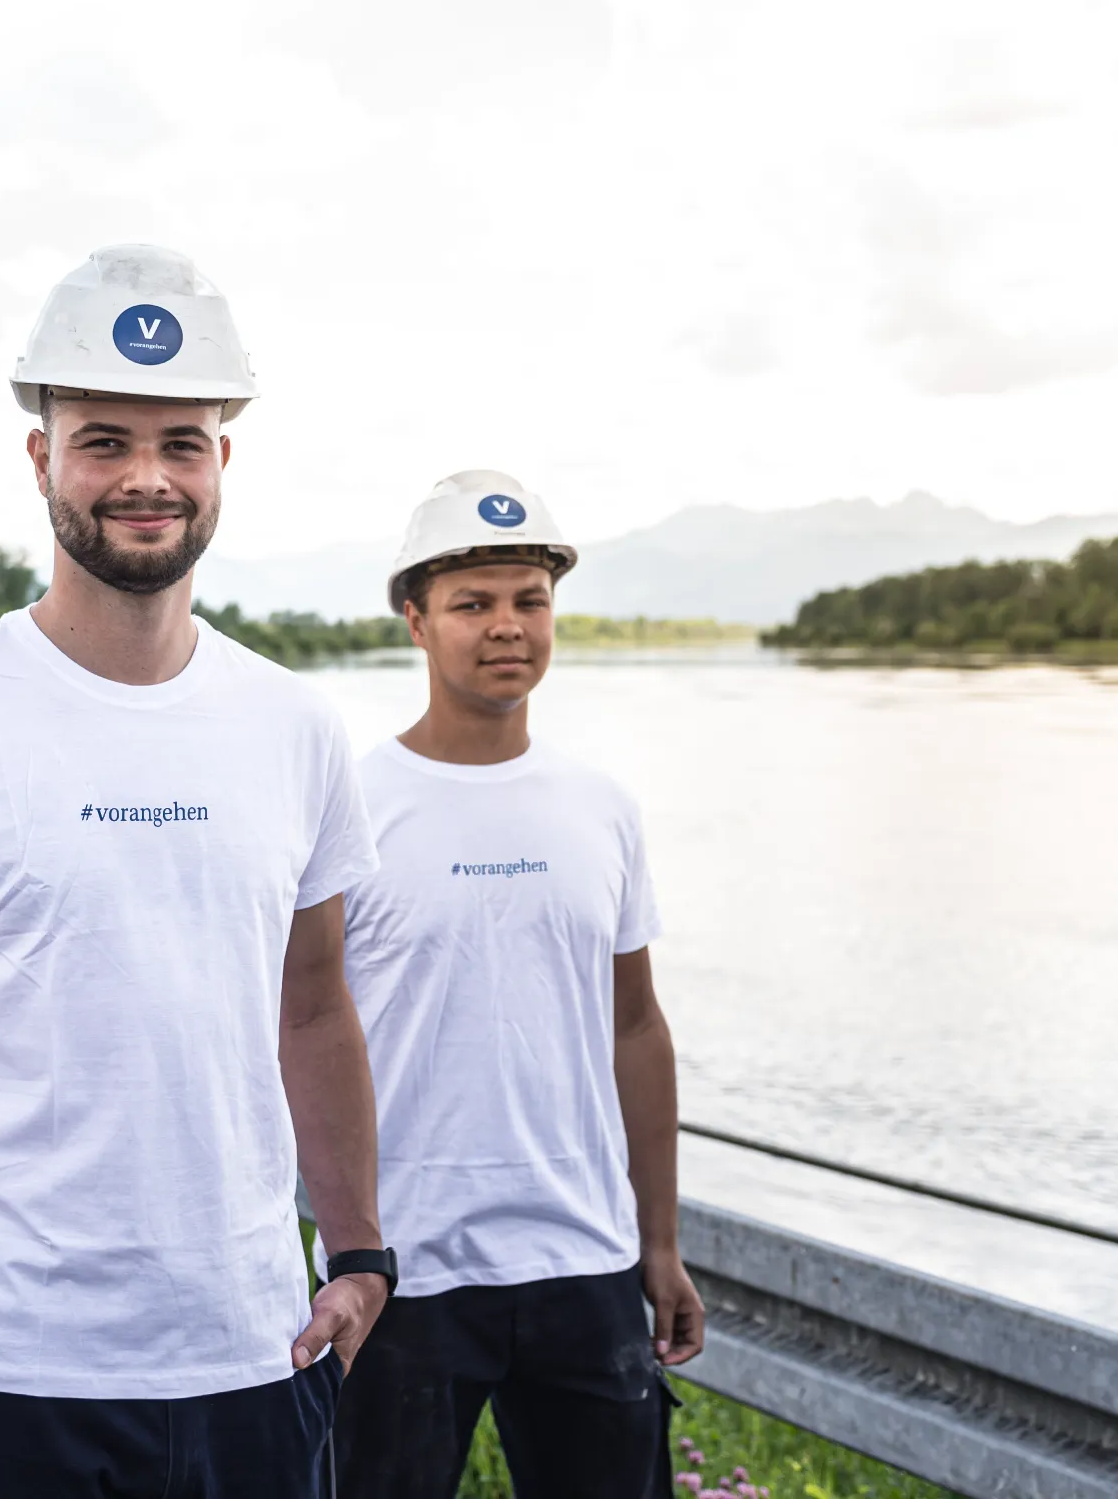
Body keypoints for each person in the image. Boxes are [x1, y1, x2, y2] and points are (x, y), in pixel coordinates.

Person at [0, 244, 393, 1499]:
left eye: (182, 441)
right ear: (40, 458)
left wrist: (363, 1250)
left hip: (256, 1361)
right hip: (2, 1381)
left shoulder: (294, 727)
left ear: (226, 459)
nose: (145, 477)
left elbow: (315, 1009)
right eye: (103, 440)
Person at [327, 470, 704, 1499]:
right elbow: (298, 1034)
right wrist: (326, 1244)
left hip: (583, 1258)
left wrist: (657, 1242)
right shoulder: (351, 805)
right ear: (416, 621)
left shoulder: (602, 807)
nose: (508, 627)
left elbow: (635, 1029)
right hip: (404, 1271)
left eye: (529, 600)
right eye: (473, 603)